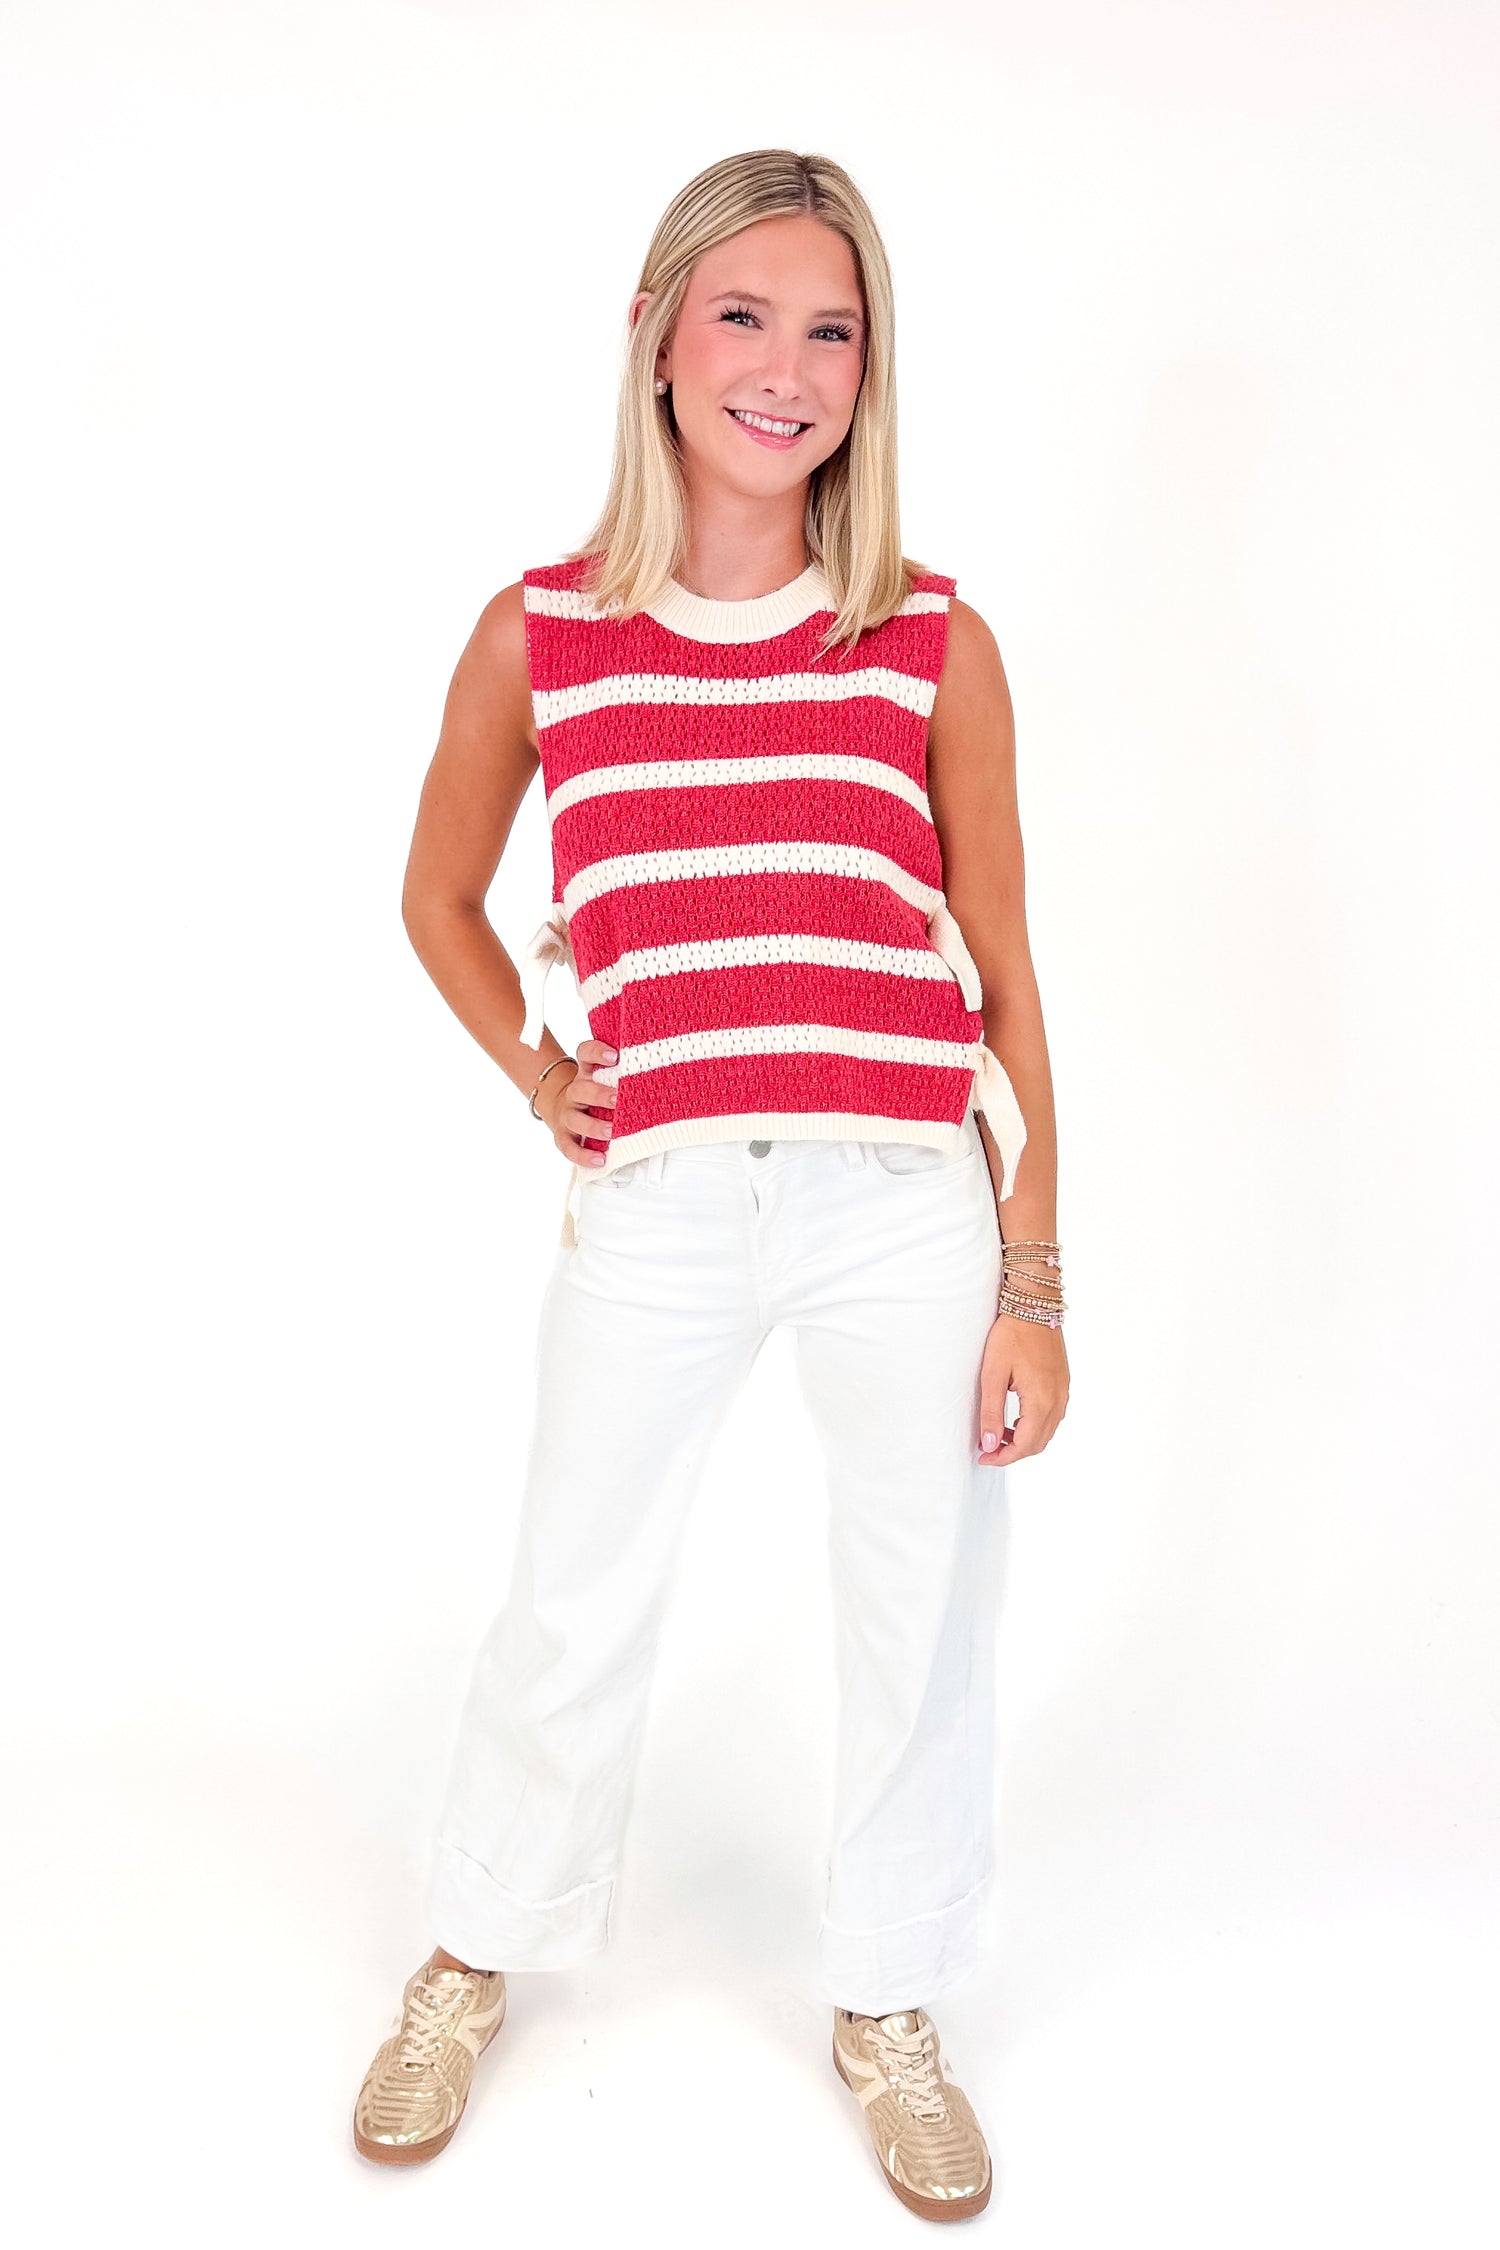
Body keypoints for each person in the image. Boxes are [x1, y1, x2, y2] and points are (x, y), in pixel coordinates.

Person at [352, 147, 1069, 2222]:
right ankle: (475, 1945)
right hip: (659, 1195)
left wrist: (1034, 1277)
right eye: (744, 314)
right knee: (572, 1591)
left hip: (902, 1196)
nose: (787, 366)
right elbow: (435, 895)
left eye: (833, 329)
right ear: (658, 338)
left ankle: (889, 1996)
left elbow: (1009, 969)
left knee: (921, 1607)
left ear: (870, 370)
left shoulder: (929, 637)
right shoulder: (544, 634)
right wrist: (539, 1070)